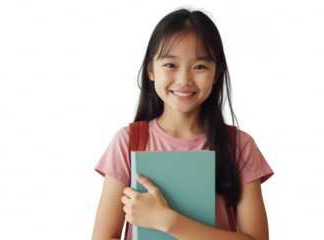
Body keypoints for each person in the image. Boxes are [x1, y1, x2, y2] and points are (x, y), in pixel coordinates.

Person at [92, 3, 275, 240]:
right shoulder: (127, 141)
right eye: (170, 64)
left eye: (199, 66)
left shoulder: (240, 144)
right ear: (150, 68)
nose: (184, 79)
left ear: (217, 73)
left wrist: (166, 221)